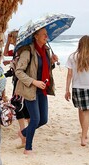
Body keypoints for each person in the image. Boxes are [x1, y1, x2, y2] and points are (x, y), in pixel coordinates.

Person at [14, 27, 58, 155]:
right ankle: (28, 148)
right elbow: (18, 72)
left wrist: (51, 62)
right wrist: (34, 82)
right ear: (36, 36)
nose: (46, 37)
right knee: (35, 119)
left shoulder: (45, 50)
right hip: (30, 89)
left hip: (42, 88)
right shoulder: (28, 51)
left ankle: (23, 133)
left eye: (47, 34)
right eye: (44, 34)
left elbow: (43, 69)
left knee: (43, 119)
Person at [64, 36, 89, 146]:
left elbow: (69, 75)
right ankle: (83, 137)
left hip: (77, 87)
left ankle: (84, 133)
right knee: (87, 113)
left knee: (81, 110)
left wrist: (67, 89)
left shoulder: (73, 56)